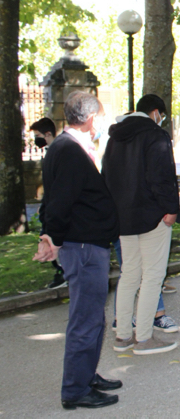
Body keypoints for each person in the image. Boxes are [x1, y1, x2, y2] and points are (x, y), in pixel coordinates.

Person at [33, 91, 121, 410]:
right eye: (100, 116)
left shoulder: (64, 146)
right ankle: (75, 389)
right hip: (83, 246)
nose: (102, 122)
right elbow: (60, 201)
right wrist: (51, 237)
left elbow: (55, 197)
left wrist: (49, 234)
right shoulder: (69, 150)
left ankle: (86, 375)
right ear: (90, 118)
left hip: (87, 243)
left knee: (93, 316)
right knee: (86, 319)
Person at [103, 94, 180, 355]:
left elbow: (107, 177)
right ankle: (144, 338)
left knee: (129, 275)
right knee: (152, 276)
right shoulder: (155, 136)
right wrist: (171, 209)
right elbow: (162, 177)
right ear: (156, 112)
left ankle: (123, 335)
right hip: (152, 216)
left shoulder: (115, 138)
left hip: (123, 218)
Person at [29, 117, 67, 289]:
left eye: (38, 135)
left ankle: (63, 270)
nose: (36, 139)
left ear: (48, 133)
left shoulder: (59, 152)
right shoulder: (53, 151)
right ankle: (61, 269)